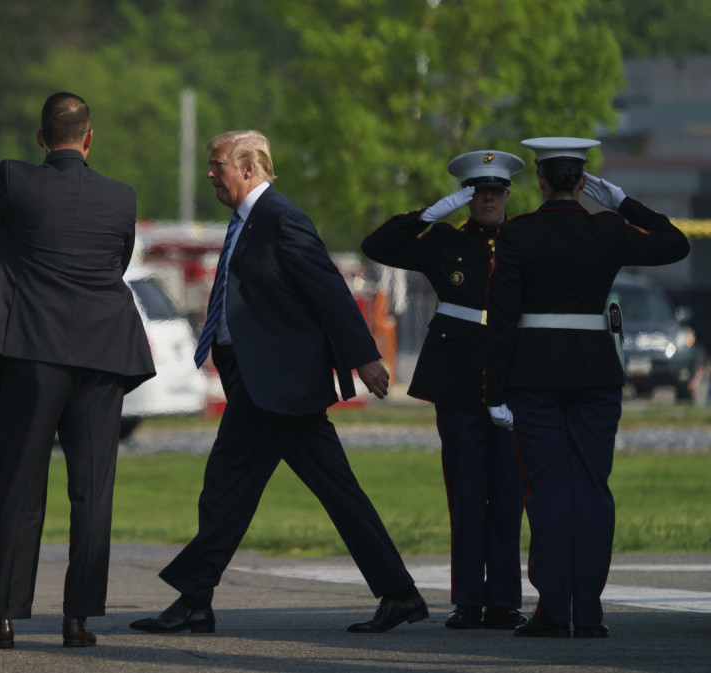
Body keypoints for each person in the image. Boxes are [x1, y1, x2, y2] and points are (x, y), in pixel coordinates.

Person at [129, 129, 427, 636]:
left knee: (227, 487)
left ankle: (194, 598)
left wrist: (366, 358)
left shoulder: (281, 218)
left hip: (277, 383)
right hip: (268, 381)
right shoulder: (248, 220)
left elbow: (328, 289)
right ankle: (399, 594)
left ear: (248, 169)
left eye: (217, 163)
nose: (209, 173)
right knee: (327, 490)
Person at [0, 93, 155, 649]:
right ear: (89, 138)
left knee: (20, 485)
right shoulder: (120, 198)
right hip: (105, 354)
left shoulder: (16, 181)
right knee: (93, 490)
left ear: (39, 138)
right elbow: (115, 263)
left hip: (35, 351)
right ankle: (78, 621)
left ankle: (1, 619)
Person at [485, 137, 690, 638]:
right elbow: (674, 241)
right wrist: (621, 201)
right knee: (593, 491)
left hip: (535, 377)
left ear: (538, 178)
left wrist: (494, 391)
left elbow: (503, 319)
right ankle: (591, 613)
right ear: (582, 181)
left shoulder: (519, 234)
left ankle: (554, 611)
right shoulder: (609, 229)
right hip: (597, 374)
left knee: (548, 492)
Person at [360, 150, 528, 631]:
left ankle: (505, 601)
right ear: (467, 196)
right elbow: (378, 244)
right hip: (457, 380)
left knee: (508, 493)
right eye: (479, 191)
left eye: (496, 190)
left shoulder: (522, 241)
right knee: (467, 492)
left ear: (508, 194)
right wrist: (433, 211)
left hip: (513, 380)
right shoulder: (442, 240)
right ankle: (468, 600)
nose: (489, 198)